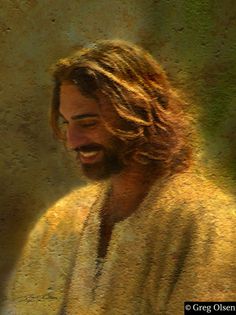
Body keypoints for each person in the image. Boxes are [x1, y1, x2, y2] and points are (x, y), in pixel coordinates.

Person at [3, 40, 235, 315]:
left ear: (139, 114)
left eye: (88, 123)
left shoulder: (210, 222)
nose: (72, 141)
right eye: (67, 123)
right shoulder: (62, 220)